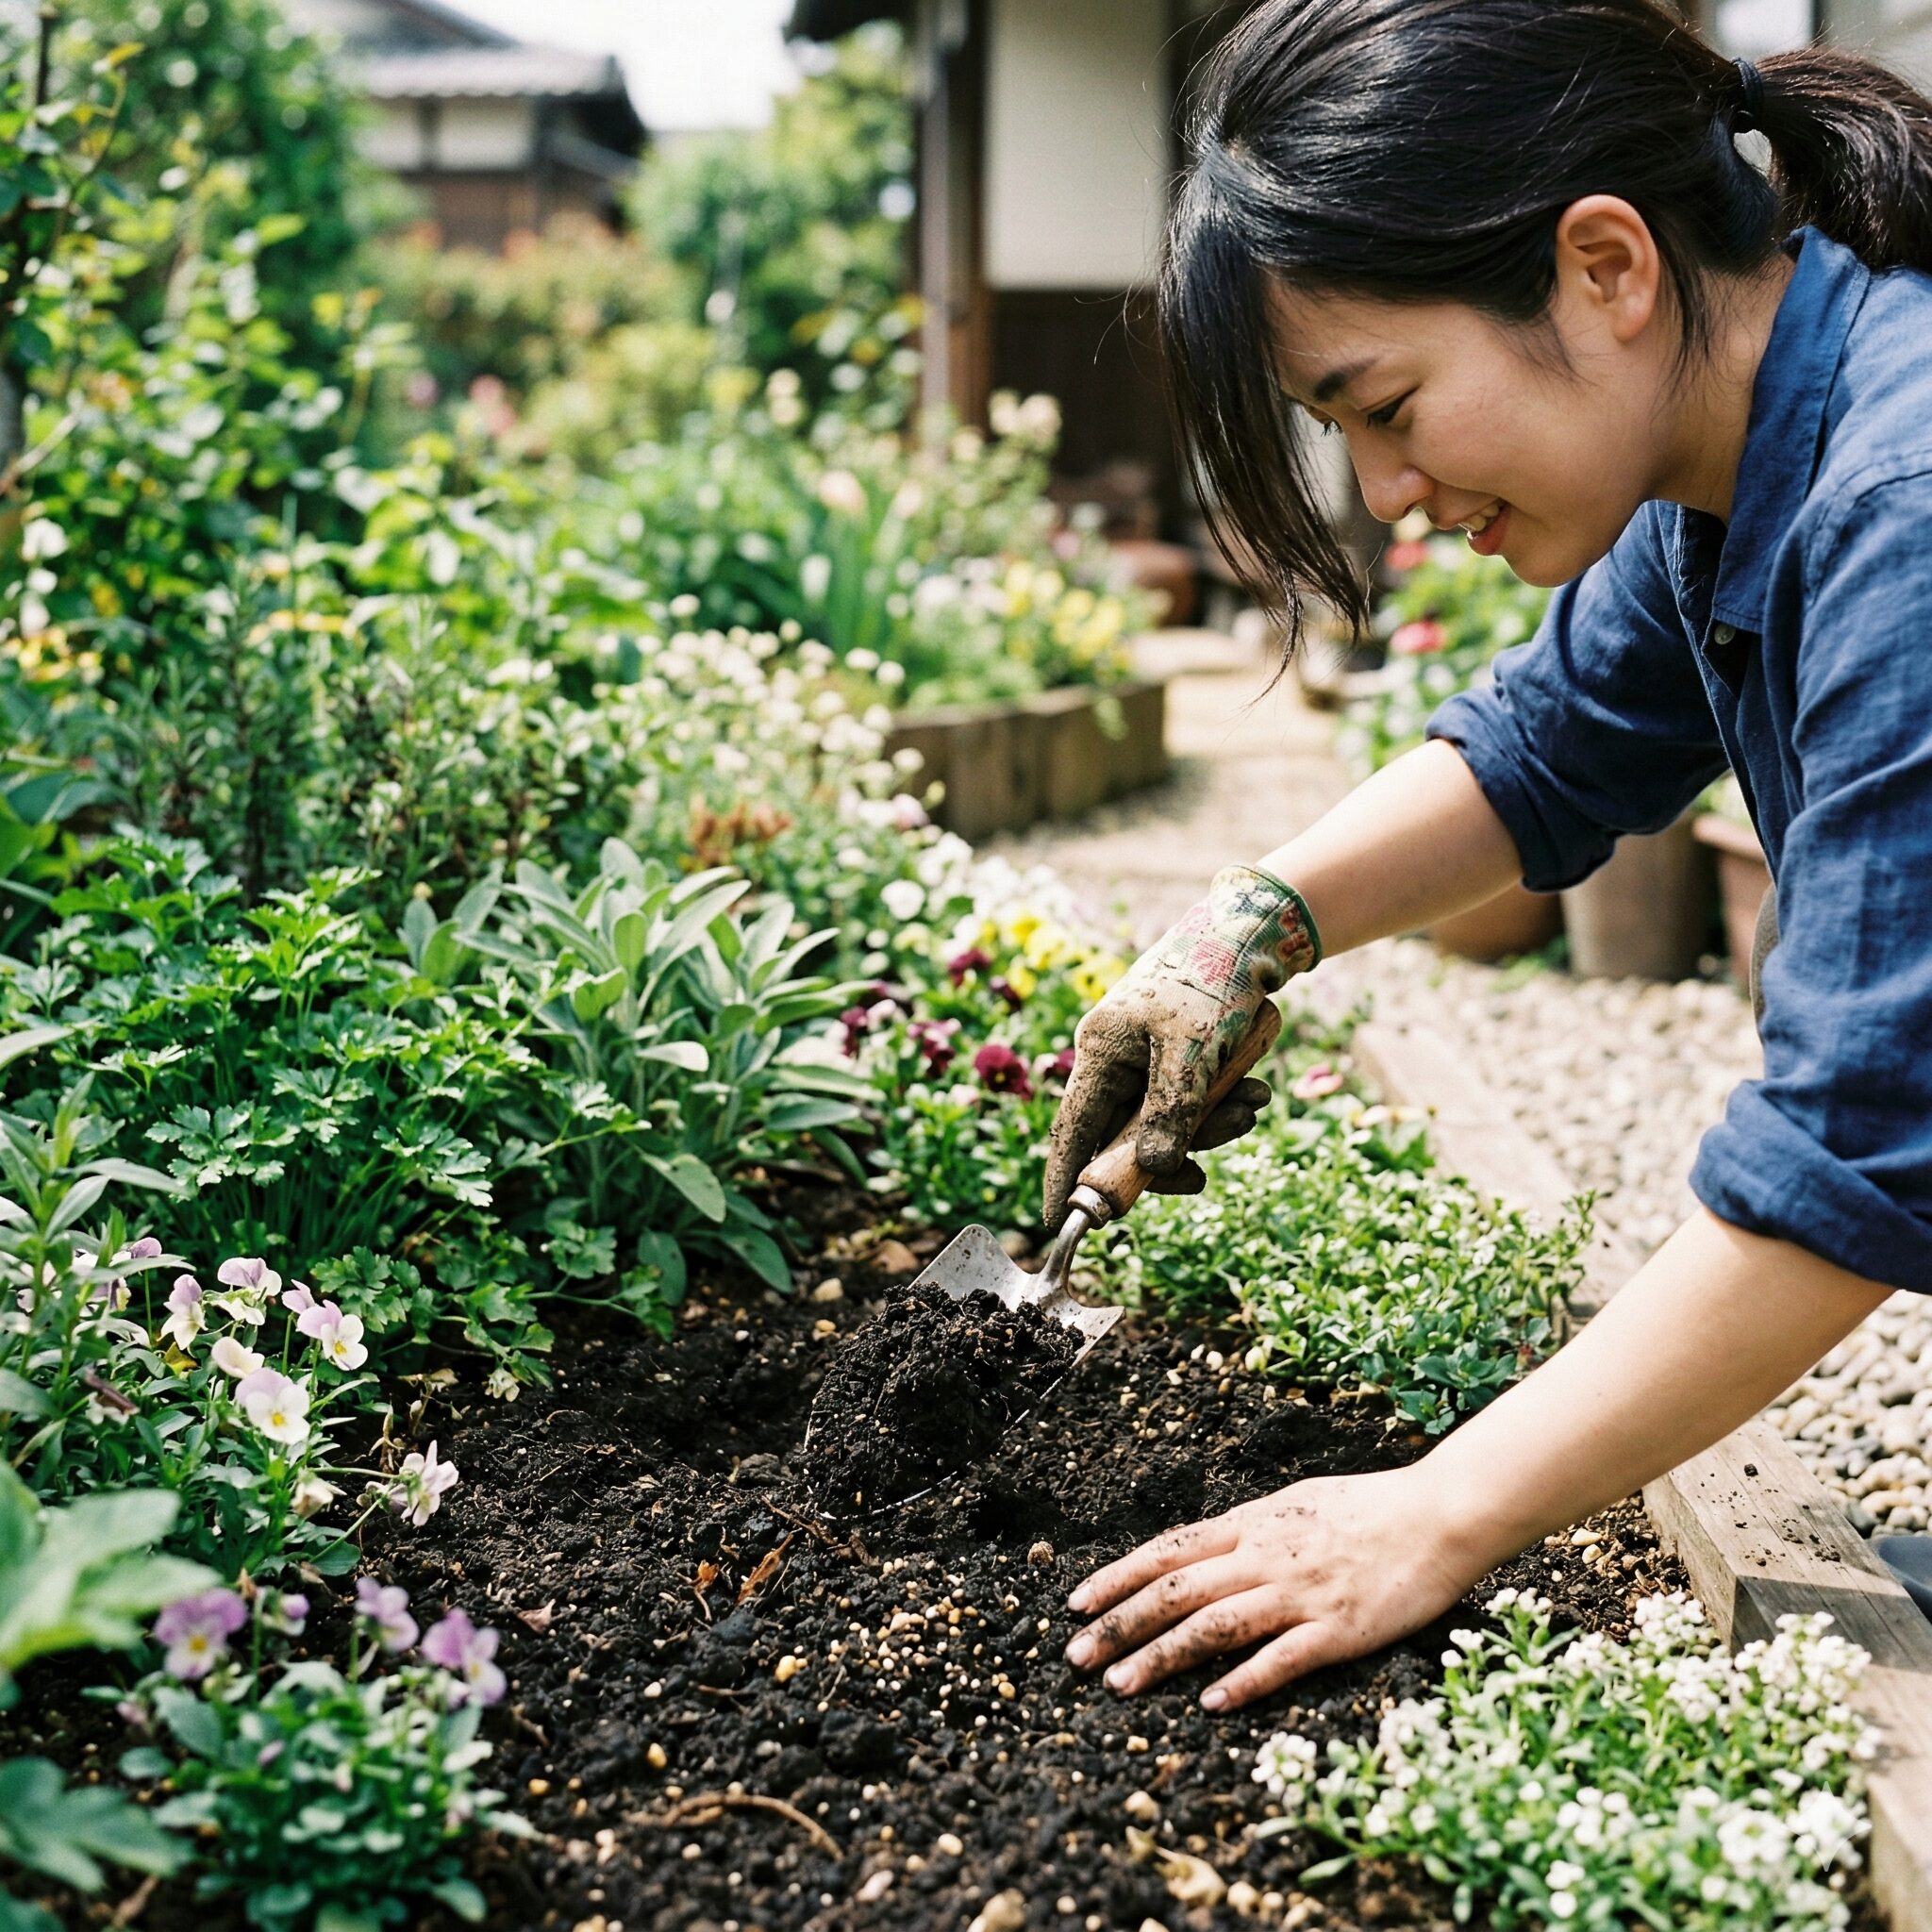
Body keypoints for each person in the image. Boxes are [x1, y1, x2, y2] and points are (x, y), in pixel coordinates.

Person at [1044, 0, 1932, 1715]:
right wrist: (1246, 932)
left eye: (1385, 404)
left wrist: (1441, 1511)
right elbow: (1544, 749)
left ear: (1607, 268)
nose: (1384, 492)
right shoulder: (1736, 461)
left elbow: (1864, 1144)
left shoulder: (1901, 509)